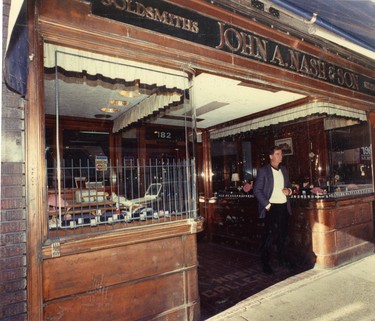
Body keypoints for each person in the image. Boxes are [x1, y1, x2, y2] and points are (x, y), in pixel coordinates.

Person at [253, 145, 292, 274]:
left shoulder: (284, 170)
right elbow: (257, 190)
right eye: (277, 154)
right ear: (271, 156)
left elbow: (289, 187)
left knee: (283, 237)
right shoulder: (264, 171)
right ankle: (266, 265)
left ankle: (283, 260)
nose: (280, 156)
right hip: (271, 207)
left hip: (283, 207)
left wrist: (289, 191)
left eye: (281, 154)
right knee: (269, 238)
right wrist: (267, 205)